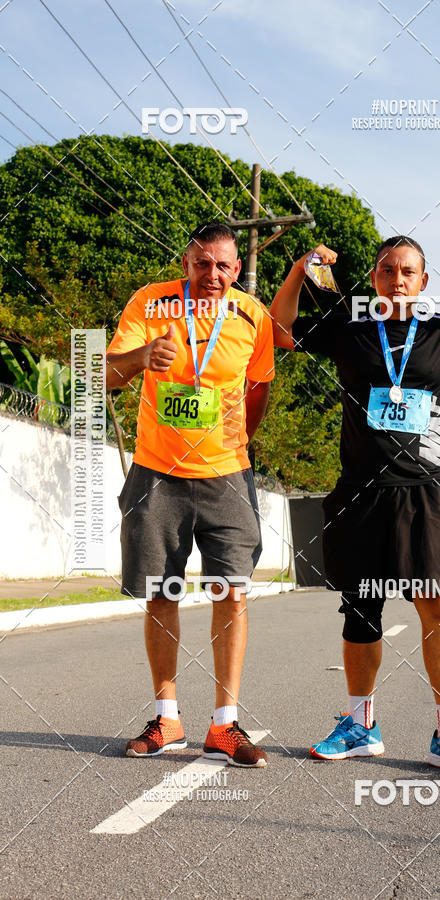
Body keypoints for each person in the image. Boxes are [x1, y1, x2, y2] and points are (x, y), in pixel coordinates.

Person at [271, 236, 440, 774]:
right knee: (362, 613)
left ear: (423, 281)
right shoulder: (349, 329)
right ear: (374, 277)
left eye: (407, 272)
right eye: (387, 270)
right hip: (360, 494)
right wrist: (301, 271)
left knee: (436, 610)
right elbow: (279, 332)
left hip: (427, 494)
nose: (397, 280)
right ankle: (360, 725)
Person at [106, 223, 274, 766]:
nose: (214, 276)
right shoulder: (150, 303)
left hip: (228, 474)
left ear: (237, 270)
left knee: (232, 592)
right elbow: (103, 375)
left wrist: (241, 439)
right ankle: (167, 718)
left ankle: (225, 725)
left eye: (225, 266)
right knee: (161, 592)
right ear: (187, 263)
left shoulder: (252, 315)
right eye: (204, 264)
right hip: (157, 473)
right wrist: (142, 358)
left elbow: (259, 385)